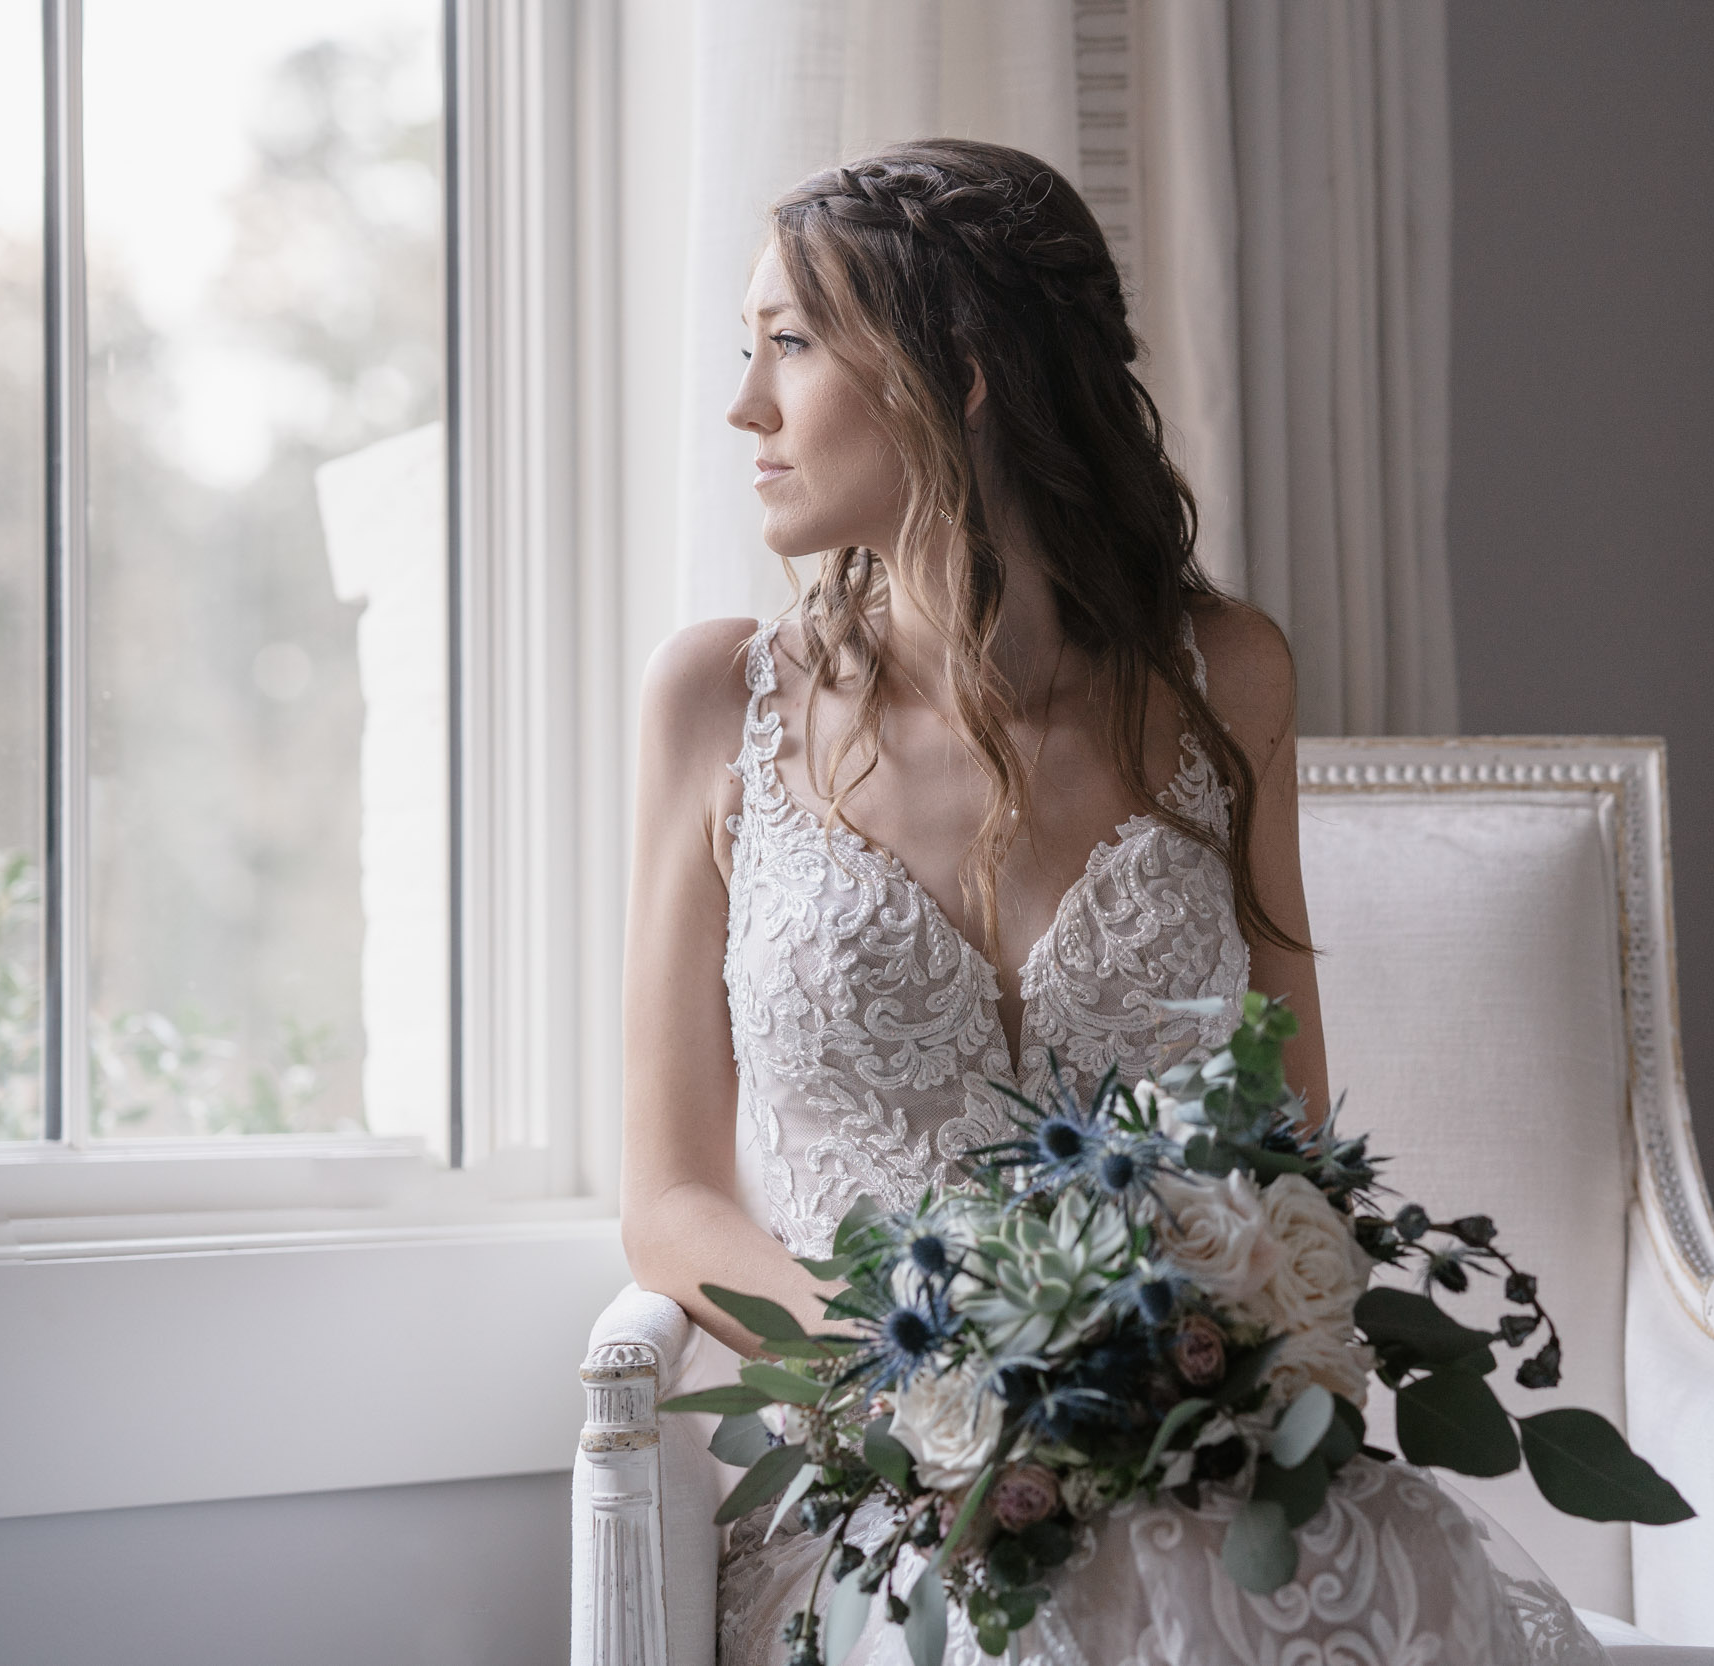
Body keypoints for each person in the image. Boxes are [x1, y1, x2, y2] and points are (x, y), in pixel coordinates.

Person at [622, 139, 1602, 1666]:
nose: (746, 407)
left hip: (1186, 1458)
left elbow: (1290, 1144)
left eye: (792, 346)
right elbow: (670, 1198)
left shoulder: (1228, 677)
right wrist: (929, 1373)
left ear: (965, 372)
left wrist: (1203, 1383)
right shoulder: (714, 700)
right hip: (882, 1482)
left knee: (1293, 1591)